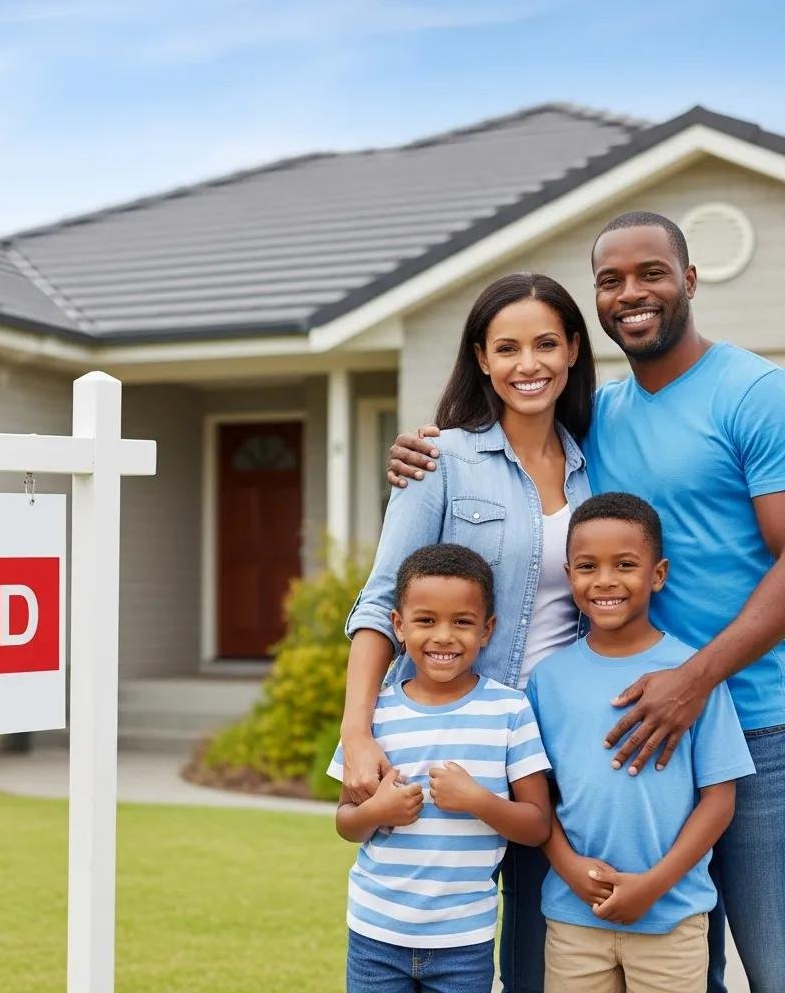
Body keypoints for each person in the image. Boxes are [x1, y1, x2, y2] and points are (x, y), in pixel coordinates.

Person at [386, 211, 785, 993]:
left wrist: (695, 680)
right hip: (632, 730)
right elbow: (516, 442)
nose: (631, 294)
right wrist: (420, 452)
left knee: (771, 965)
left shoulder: (755, 391)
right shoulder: (596, 421)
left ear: (691, 281)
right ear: (595, 307)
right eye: (611, 281)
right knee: (675, 956)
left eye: (652, 274)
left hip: (758, 720)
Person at [341, 271, 596, 992]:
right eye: (507, 347)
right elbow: (379, 602)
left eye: (546, 344)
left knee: (548, 948)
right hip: (461, 738)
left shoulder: (590, 467)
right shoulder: (441, 459)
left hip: (557, 742)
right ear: (481, 359)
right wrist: (358, 731)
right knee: (449, 930)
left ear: (574, 350)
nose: (529, 364)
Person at [526, 492, 754, 992]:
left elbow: (719, 801)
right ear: (569, 575)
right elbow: (536, 795)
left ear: (658, 574)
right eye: (587, 566)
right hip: (573, 916)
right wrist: (569, 868)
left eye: (625, 565)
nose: (605, 580)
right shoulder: (548, 680)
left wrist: (652, 886)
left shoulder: (692, 677)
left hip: (670, 917)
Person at [329, 543, 552, 993]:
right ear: (398, 625)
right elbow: (346, 824)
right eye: (426, 621)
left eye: (463, 622)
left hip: (463, 941)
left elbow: (537, 826)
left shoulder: (510, 711)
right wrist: (378, 812)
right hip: (376, 933)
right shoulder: (373, 716)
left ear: (487, 629)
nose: (444, 637)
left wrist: (478, 801)